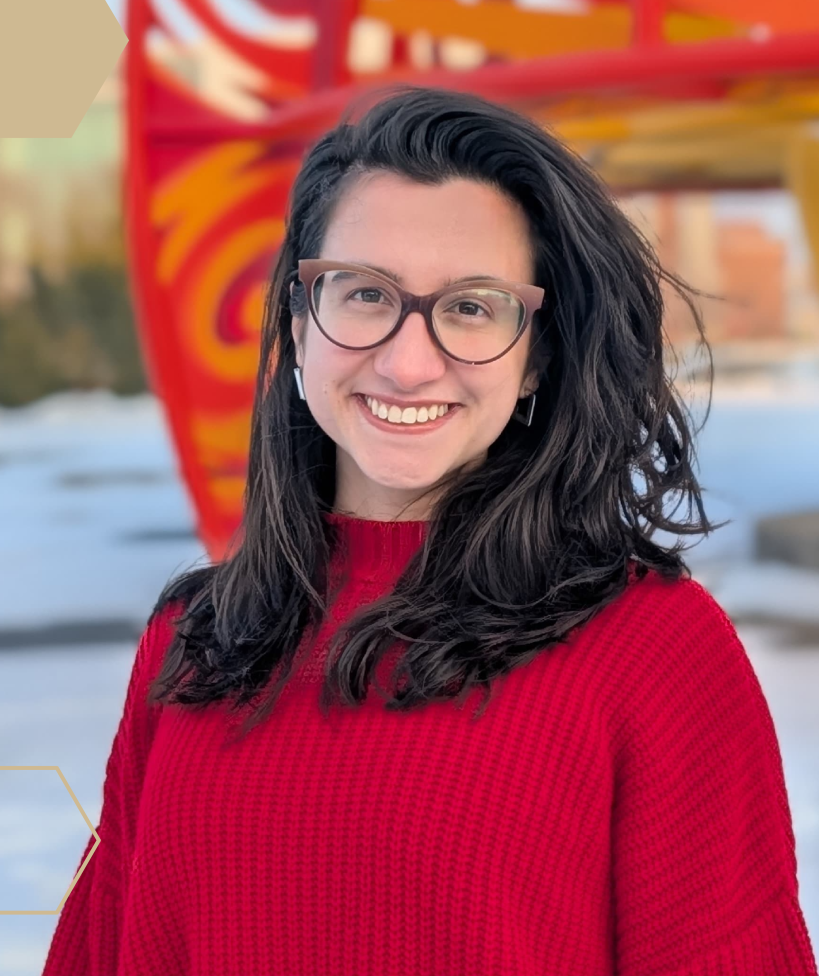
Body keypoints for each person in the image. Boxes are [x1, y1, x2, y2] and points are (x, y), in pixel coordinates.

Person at [42, 86, 817, 976]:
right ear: (299, 325)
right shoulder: (193, 644)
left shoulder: (652, 654)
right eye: (365, 293)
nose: (409, 362)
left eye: (471, 307)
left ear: (537, 358)